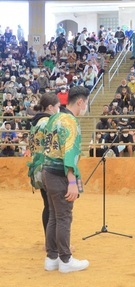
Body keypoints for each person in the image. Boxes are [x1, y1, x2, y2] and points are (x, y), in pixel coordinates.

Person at [42, 86, 90, 273]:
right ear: (80, 102)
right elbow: (69, 153)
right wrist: (72, 181)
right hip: (60, 174)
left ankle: (52, 257)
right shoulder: (71, 121)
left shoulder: (54, 118)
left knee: (54, 215)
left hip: (48, 171)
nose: (86, 106)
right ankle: (65, 259)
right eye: (86, 103)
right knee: (64, 217)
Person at [28, 93, 60, 240]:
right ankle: (52, 243)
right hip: (48, 167)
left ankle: (49, 241)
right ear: (50, 107)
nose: (59, 109)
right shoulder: (48, 122)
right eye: (58, 107)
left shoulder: (35, 122)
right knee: (53, 208)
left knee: (47, 205)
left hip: (37, 167)